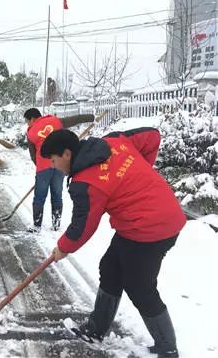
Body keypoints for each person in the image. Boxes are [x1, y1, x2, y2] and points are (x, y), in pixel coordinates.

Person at [40, 127, 186, 358]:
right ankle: (96, 330)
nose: (53, 166)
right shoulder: (114, 141)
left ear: (67, 154)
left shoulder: (85, 183)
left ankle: (167, 348)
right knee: (110, 267)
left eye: (53, 160)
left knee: (140, 287)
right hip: (149, 219)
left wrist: (63, 247)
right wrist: (137, 178)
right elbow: (152, 136)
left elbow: (83, 227)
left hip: (150, 228)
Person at [24, 108, 94, 232]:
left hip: (43, 167)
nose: (27, 124)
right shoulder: (55, 121)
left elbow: (33, 154)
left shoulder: (30, 132)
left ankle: (36, 225)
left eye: (27, 121)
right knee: (57, 195)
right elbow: (75, 119)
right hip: (60, 165)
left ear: (32, 119)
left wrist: (40, 167)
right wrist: (91, 117)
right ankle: (56, 224)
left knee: (39, 196)